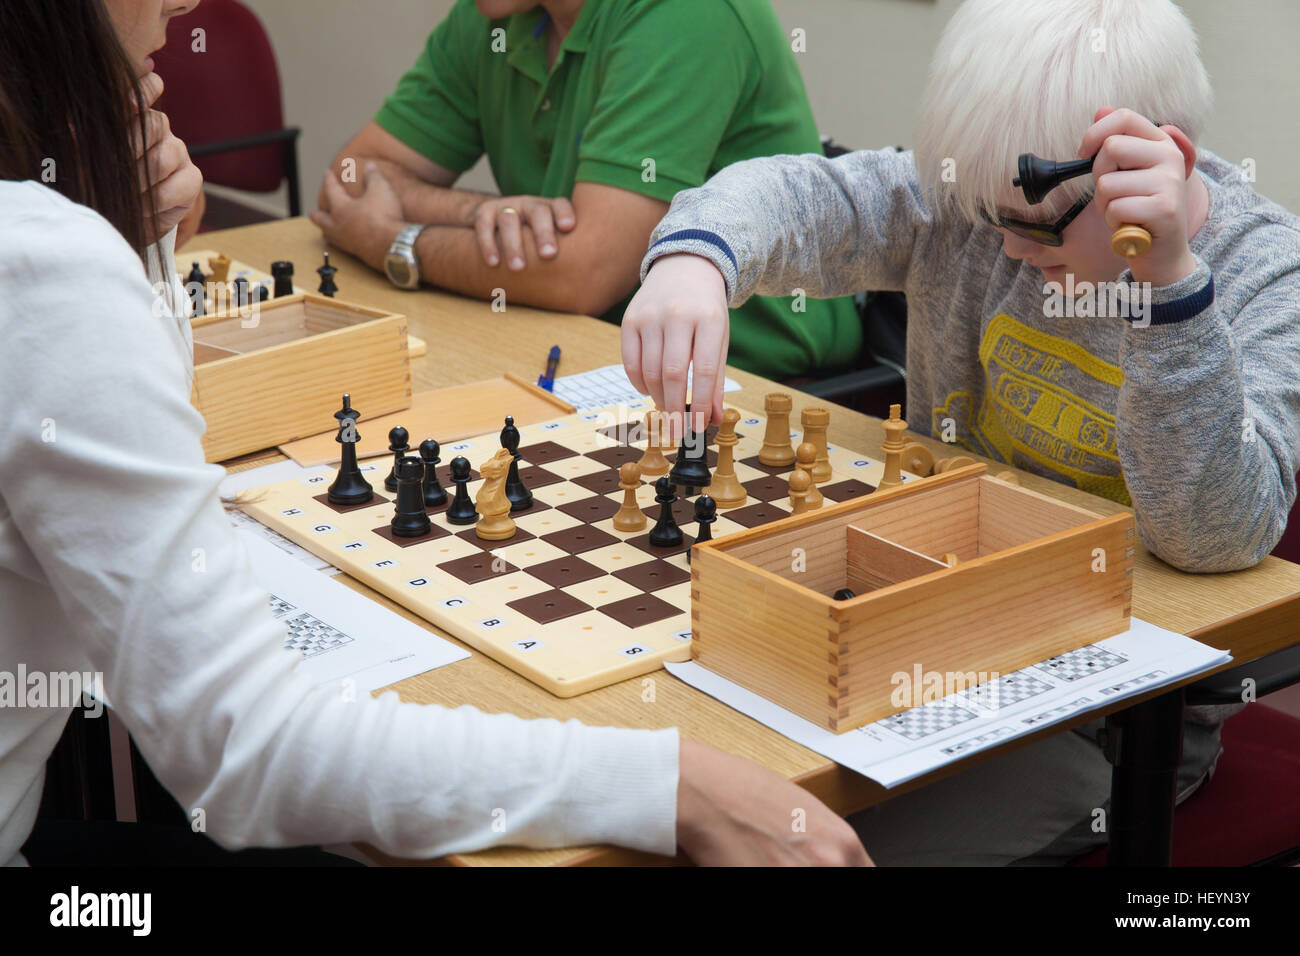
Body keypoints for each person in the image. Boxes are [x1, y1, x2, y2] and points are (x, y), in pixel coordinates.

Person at [0, 0, 869, 868]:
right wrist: (672, 785)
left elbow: (581, 266)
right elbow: (250, 753)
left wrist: (388, 225)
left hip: (737, 405)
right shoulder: (46, 265)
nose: (187, 2)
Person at [622, 0, 1300, 864]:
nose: (1009, 251)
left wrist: (1167, 286)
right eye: (989, 220)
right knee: (683, 800)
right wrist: (696, 256)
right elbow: (809, 194)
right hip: (914, 643)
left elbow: (1213, 537)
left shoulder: (1268, 275)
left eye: (1036, 222)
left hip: (1103, 724)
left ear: (1151, 162)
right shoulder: (978, 207)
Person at [310, 0, 862, 385]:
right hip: (582, 346)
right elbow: (351, 176)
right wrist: (479, 211)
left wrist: (392, 241)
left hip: (756, 382)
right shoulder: (496, 16)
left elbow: (581, 274)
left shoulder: (686, 12)